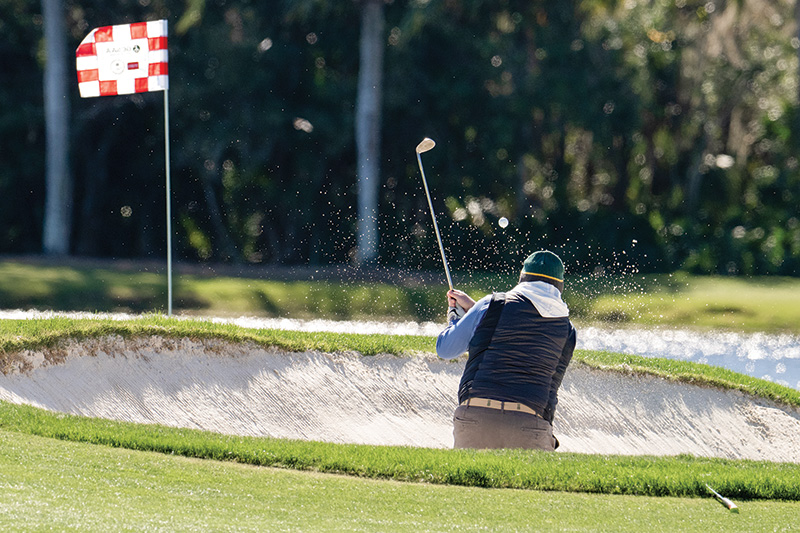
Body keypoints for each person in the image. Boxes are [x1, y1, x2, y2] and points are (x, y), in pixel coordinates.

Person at [436, 250, 576, 450]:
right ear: (559, 286)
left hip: (475, 420)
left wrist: (456, 318)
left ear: (522, 278)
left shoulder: (491, 304)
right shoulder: (568, 331)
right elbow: (528, 341)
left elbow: (445, 349)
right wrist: (477, 312)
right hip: (531, 426)